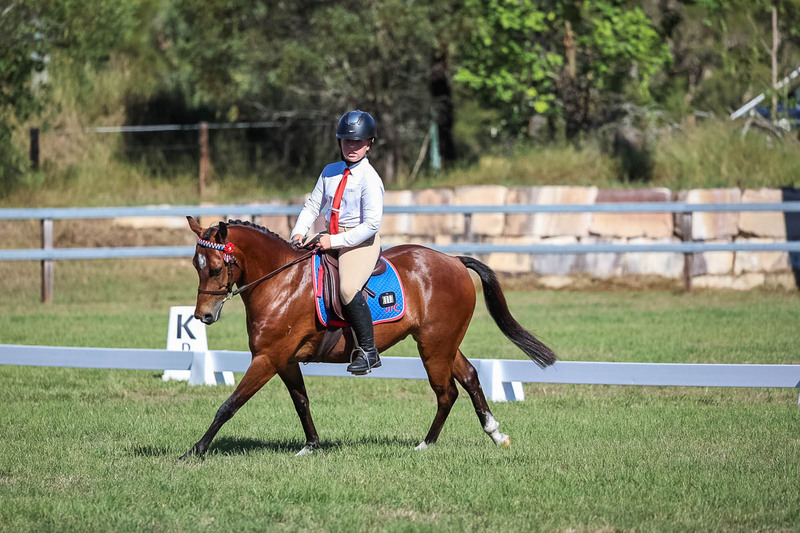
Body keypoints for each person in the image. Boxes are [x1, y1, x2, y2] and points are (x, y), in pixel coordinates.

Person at [290, 110, 385, 374]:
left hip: (359, 240)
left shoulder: (370, 179)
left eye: (358, 142)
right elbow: (312, 206)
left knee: (347, 288)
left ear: (369, 144)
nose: (352, 147)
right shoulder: (330, 171)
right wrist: (298, 232)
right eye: (347, 141)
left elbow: (371, 224)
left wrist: (334, 241)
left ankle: (368, 351)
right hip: (327, 233)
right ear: (339, 142)